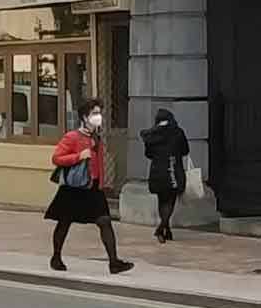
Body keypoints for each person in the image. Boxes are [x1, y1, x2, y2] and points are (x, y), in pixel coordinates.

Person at [46, 98, 134, 275]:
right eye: (94, 114)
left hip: (93, 187)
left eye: (99, 113)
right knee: (64, 222)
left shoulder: (97, 138)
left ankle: (114, 262)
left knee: (105, 222)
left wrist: (102, 183)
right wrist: (78, 156)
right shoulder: (72, 137)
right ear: (85, 117)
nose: (98, 117)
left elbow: (99, 164)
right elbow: (56, 158)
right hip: (74, 188)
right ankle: (56, 257)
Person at [142, 107, 190, 243]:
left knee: (162, 199)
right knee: (170, 199)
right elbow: (185, 150)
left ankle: (166, 229)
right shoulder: (177, 132)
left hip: (157, 170)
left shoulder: (151, 134)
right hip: (173, 169)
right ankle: (161, 227)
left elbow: (148, 154)